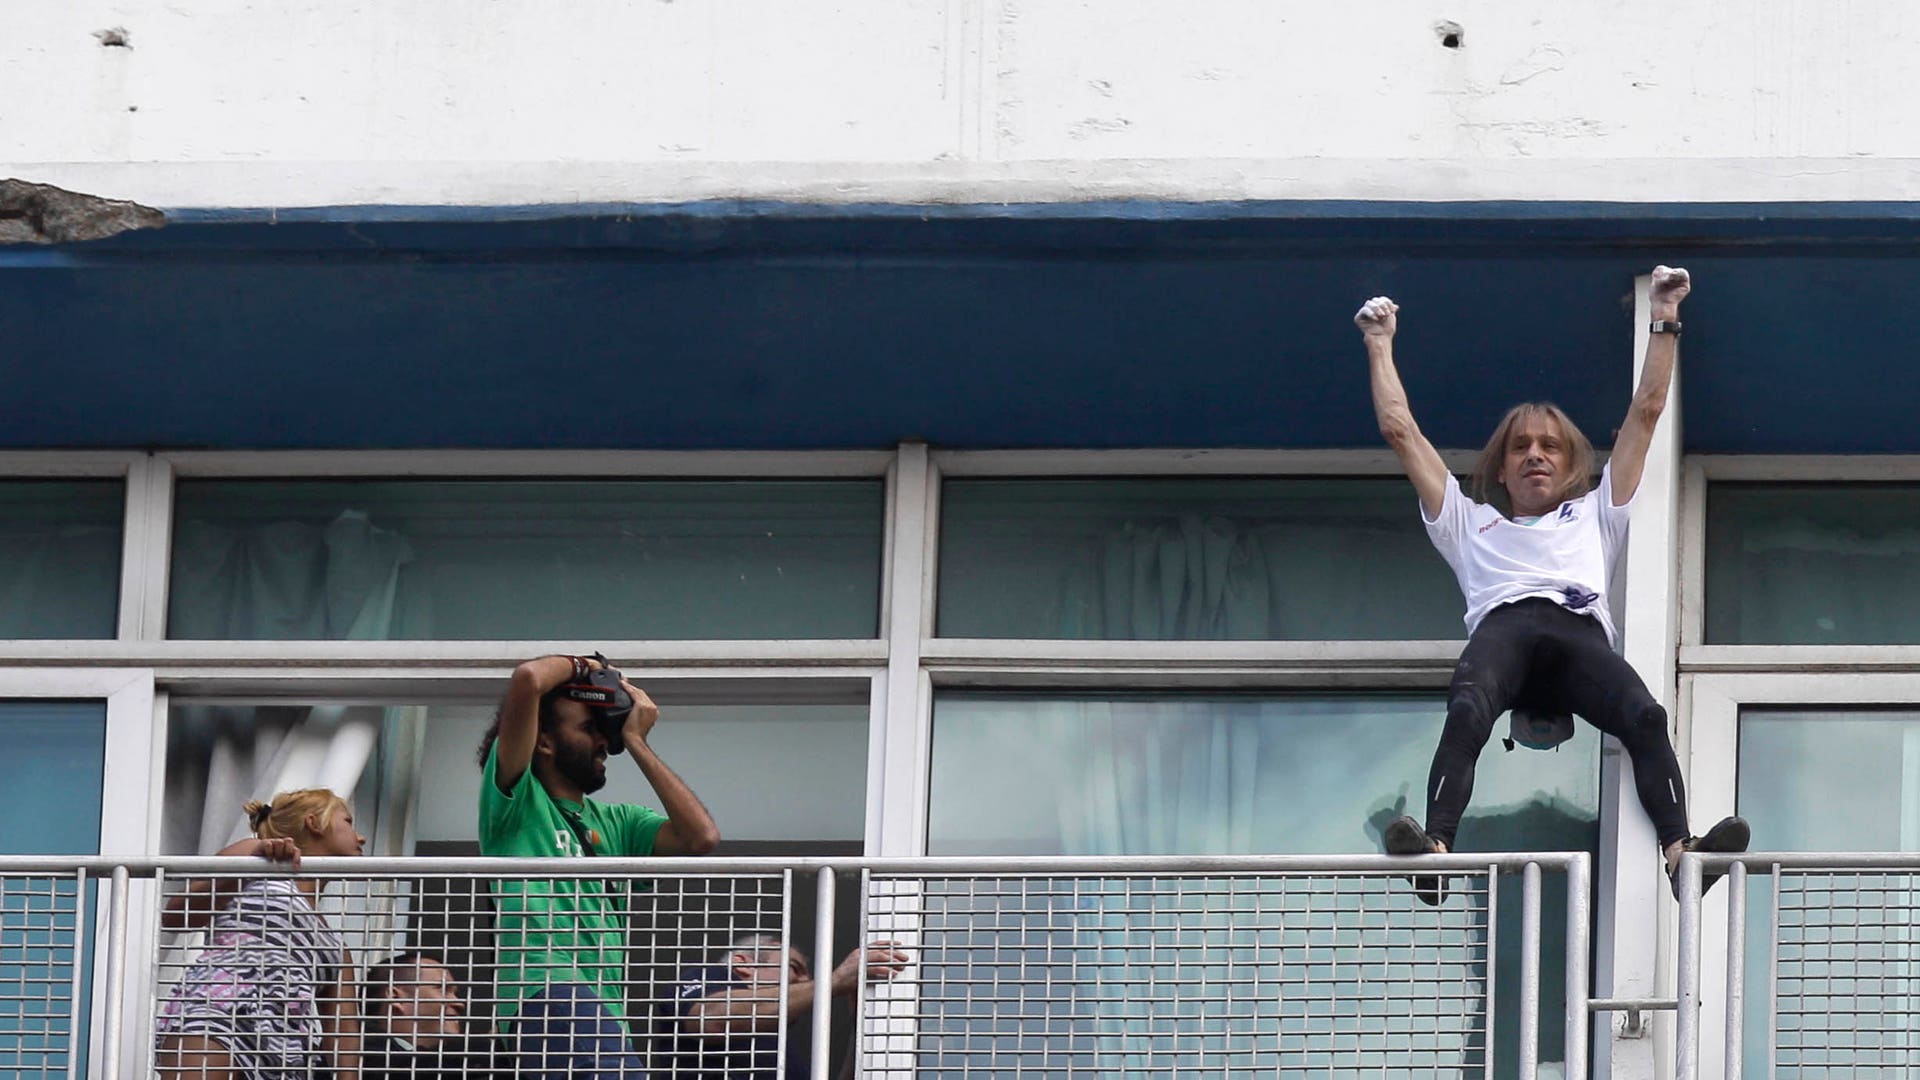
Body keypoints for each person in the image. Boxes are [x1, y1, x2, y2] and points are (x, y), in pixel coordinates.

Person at [1356, 266, 1748, 904]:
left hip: (1576, 634)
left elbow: (1647, 413)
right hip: (1504, 631)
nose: (1535, 454)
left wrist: (1666, 315)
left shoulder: (1597, 512)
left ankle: (1682, 855)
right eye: (1520, 448)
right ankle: (1435, 853)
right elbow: (1401, 432)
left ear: (1570, 464)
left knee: (1646, 714)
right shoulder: (1468, 523)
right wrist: (1379, 342)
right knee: (1467, 710)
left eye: (1549, 446)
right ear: (1502, 468)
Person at [476, 652, 721, 1078]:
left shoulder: (619, 822)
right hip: (549, 993)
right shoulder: (515, 803)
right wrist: (584, 667)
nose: (604, 743)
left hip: (606, 1010)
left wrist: (638, 741)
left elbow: (701, 837)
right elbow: (529, 678)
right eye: (589, 728)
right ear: (544, 740)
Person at [154, 788, 365, 1080]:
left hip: (281, 1055)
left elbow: (343, 1032)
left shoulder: (337, 948)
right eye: (349, 822)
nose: (361, 837)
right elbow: (177, 913)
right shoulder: (255, 856)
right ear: (314, 823)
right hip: (215, 1016)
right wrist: (255, 858)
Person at [670, 934, 911, 1080]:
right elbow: (710, 1020)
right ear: (742, 964)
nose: (805, 981)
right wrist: (834, 981)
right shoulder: (710, 978)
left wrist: (859, 1025)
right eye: (794, 967)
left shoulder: (782, 1052)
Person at [361, 951, 493, 1080]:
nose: (460, 1004)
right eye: (443, 989)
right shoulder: (359, 1053)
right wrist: (491, 1046)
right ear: (396, 998)